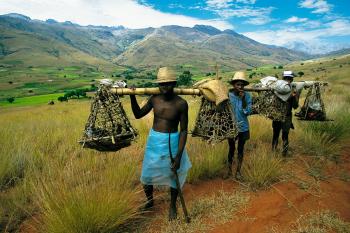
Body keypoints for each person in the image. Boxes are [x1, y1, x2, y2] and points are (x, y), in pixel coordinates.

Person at [129, 67, 191, 220]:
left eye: (168, 84)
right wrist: (132, 96)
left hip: (172, 141)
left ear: (174, 83)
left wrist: (178, 157)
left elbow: (183, 130)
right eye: (162, 84)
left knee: (173, 173)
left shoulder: (181, 104)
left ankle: (172, 206)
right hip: (154, 141)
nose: (165, 87)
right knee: (147, 173)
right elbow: (138, 115)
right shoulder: (154, 99)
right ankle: (150, 201)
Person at [227, 71, 252, 180]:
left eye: (242, 85)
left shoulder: (247, 96)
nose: (240, 87)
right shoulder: (228, 95)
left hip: (243, 127)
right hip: (231, 127)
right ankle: (229, 170)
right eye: (238, 84)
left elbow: (248, 112)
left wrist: (243, 100)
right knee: (231, 148)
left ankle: (238, 172)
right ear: (233, 85)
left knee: (240, 149)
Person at [272, 71, 299, 156]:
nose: (289, 80)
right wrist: (295, 96)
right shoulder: (291, 90)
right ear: (291, 79)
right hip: (286, 117)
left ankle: (274, 152)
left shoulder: (276, 90)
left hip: (277, 116)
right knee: (285, 136)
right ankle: (284, 154)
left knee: (275, 135)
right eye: (289, 79)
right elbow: (295, 106)